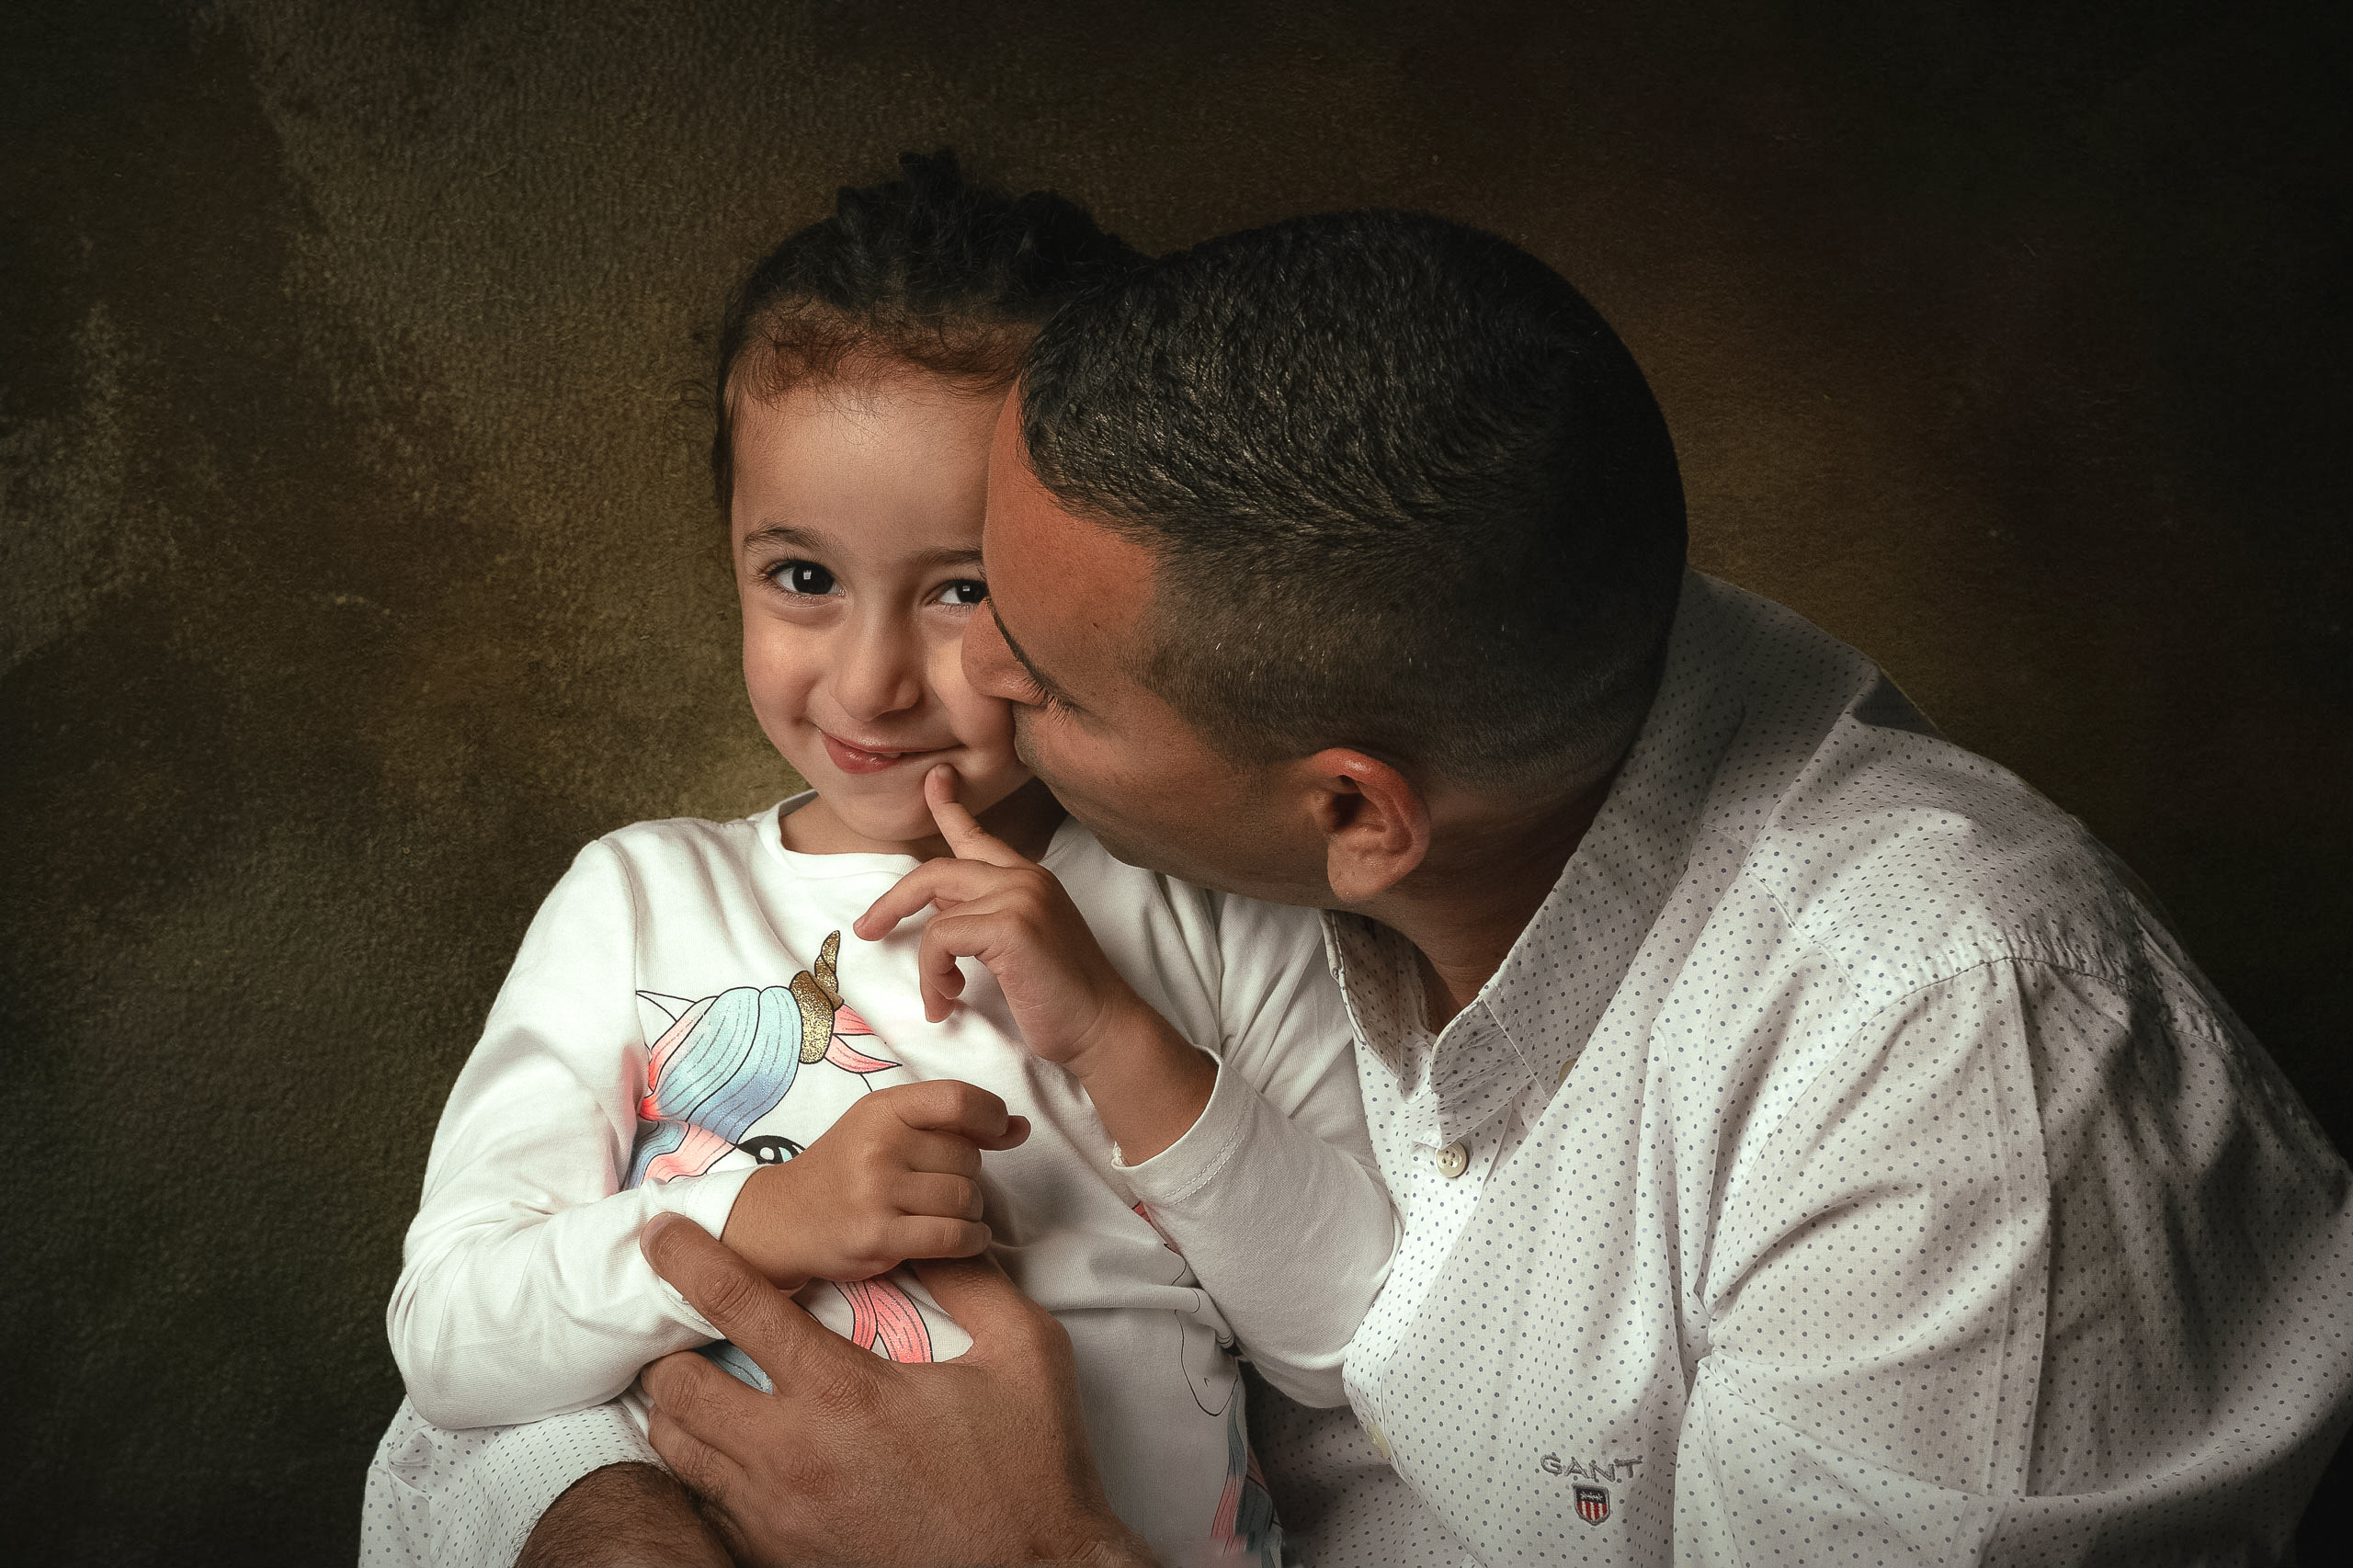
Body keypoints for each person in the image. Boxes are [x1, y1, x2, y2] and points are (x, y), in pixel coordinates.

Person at [620, 210, 2353, 1565]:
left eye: (1046, 679)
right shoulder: (1294, 766)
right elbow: (576, 1256)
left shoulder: (1953, 1075)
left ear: (1357, 816)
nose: (958, 694)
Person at [358, 156, 1397, 1568]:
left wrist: (1112, 1033)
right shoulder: (641, 901)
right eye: (802, 577)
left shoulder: (1216, 908)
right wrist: (763, 1214)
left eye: (963, 588)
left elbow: (1359, 1347)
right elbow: (454, 1334)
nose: (871, 680)